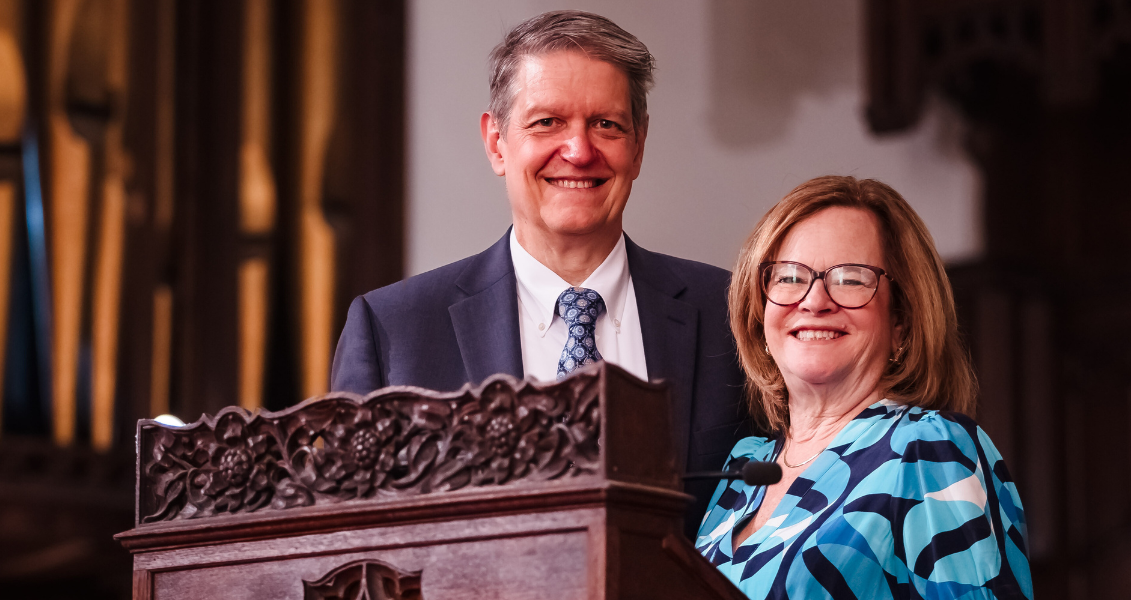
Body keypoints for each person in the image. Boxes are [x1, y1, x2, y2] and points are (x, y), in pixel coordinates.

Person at [330, 10, 750, 539]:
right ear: (496, 142)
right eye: (547, 122)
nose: (579, 151)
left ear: (639, 145)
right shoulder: (392, 329)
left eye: (606, 124)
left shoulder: (731, 312)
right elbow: (347, 545)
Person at [696, 176, 1033, 599]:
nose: (814, 301)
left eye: (850, 279)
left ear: (901, 322)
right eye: (789, 277)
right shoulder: (742, 469)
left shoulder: (927, 449)